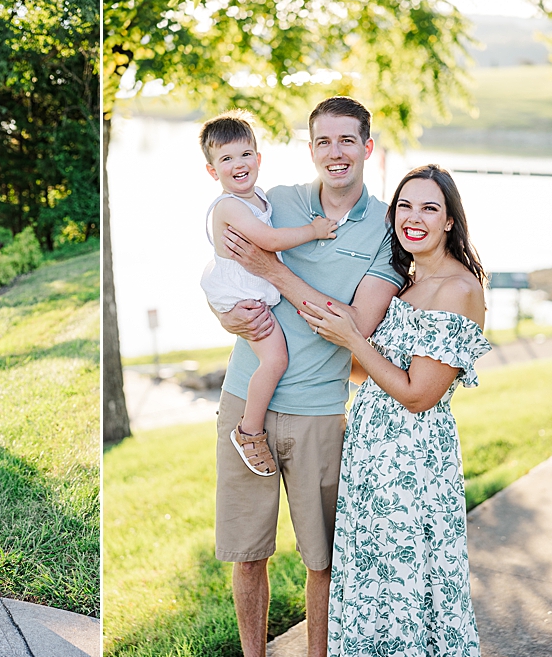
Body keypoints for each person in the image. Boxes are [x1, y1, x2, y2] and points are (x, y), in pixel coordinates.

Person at [214, 96, 404, 657]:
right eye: (323, 141)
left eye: (347, 140)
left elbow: (351, 327)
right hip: (245, 398)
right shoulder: (278, 203)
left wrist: (272, 271)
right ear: (311, 148)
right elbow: (228, 269)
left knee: (321, 557)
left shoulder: (388, 232)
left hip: (319, 410)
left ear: (367, 148)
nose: (335, 152)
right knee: (248, 553)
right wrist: (221, 311)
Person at [299, 165, 488, 656]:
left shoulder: (457, 289)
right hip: (370, 458)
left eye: (430, 208)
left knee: (408, 585)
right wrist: (339, 332)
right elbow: (373, 371)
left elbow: (418, 394)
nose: (414, 217)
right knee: (373, 582)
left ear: (450, 221)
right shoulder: (406, 284)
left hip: (412, 464)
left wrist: (354, 338)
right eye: (405, 205)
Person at [199, 109, 338, 477]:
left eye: (245, 154)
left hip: (253, 291)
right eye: (226, 159)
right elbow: (269, 240)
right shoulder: (229, 206)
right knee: (275, 360)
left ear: (258, 159)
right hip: (242, 298)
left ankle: (250, 428)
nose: (238, 164)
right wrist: (315, 230)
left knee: (276, 357)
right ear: (213, 171)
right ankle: (249, 432)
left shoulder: (258, 197)